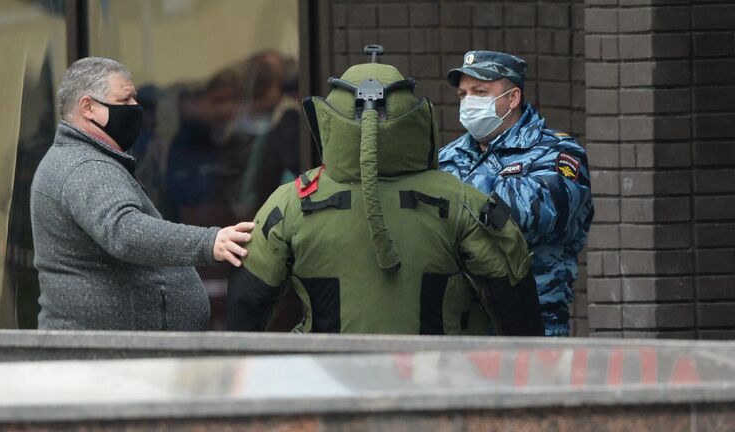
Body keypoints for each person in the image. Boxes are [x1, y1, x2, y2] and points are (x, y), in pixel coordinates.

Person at [226, 46, 544, 336]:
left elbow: (248, 303)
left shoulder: (291, 202)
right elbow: (514, 301)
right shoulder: (462, 200)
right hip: (435, 381)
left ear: (328, 120)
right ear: (417, 118)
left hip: (326, 381)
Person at [30, 57, 254, 330]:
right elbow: (124, 232)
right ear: (88, 107)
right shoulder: (85, 166)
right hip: (104, 359)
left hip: (110, 354)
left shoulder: (82, 159)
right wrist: (209, 243)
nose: (135, 108)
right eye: (125, 101)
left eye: (135, 99)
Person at [439, 50, 594, 337]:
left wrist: (451, 197)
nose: (468, 101)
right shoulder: (447, 156)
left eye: (480, 92)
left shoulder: (557, 152)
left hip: (534, 322)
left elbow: (536, 214)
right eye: (463, 94)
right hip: (462, 325)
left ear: (512, 98)